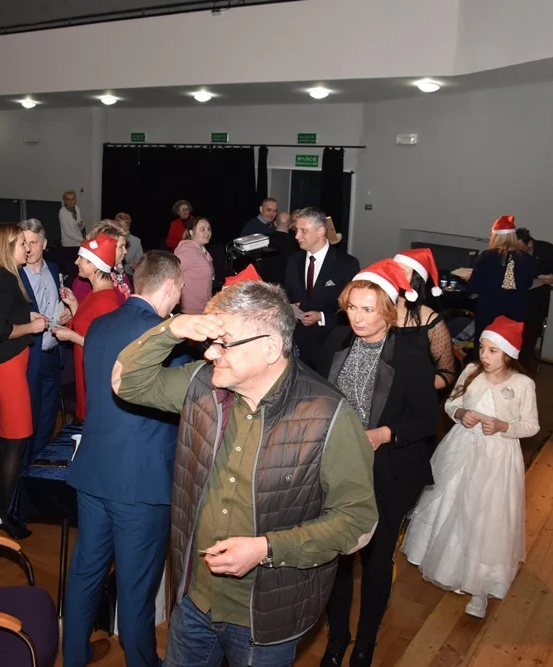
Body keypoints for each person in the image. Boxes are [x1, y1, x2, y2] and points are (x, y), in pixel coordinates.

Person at [112, 280, 377, 667]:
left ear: (270, 348)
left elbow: (358, 524)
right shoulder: (202, 383)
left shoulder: (328, 414)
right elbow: (127, 383)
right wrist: (171, 329)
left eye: (224, 343)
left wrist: (266, 549)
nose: (210, 353)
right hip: (194, 600)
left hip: (265, 619)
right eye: (211, 342)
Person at [63, 251, 184, 667]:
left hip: (94, 469)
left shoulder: (100, 324)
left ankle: (74, 656)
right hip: (140, 482)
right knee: (136, 590)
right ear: (170, 286)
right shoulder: (166, 338)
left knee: (86, 573)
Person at [317, 260, 439, 667]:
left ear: (387, 310)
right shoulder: (337, 339)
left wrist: (384, 433)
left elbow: (427, 419)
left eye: (368, 309)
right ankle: (337, 638)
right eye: (352, 307)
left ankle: (365, 642)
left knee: (376, 561)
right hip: (339, 469)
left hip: (390, 471)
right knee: (339, 560)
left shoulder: (411, 352)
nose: (358, 317)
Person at [402, 316, 539, 619]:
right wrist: (461, 414)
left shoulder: (522, 385)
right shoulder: (471, 371)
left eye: (493, 351)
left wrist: (504, 426)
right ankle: (442, 561)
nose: (484, 356)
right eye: (483, 348)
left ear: (509, 354)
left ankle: (480, 588)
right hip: (461, 448)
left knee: (486, 514)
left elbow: (531, 425)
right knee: (451, 501)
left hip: (497, 457)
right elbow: (451, 403)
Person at [0, 225, 46, 538]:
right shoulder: (4, 279)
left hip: (9, 368)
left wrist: (27, 319)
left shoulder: (1, 276)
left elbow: (2, 320)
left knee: (13, 439)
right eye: (21, 244)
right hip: (7, 369)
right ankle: (4, 514)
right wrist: (30, 328)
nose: (27, 248)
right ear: (6, 247)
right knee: (17, 440)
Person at [54, 234, 122, 421]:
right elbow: (89, 327)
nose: (76, 262)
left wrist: (71, 336)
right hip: (85, 366)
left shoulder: (106, 301)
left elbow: (105, 346)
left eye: (81, 259)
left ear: (95, 265)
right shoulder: (95, 293)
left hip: (95, 372)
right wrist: (74, 304)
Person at [284, 207, 361, 369]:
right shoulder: (293, 260)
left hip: (330, 344)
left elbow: (352, 308)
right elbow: (288, 293)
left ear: (320, 231)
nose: (297, 236)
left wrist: (322, 316)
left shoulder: (346, 264)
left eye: (303, 231)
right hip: (297, 344)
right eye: (296, 230)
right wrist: (290, 306)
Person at [18, 219, 67, 465]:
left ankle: (38, 469)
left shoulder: (54, 269)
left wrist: (66, 312)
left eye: (33, 242)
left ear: (45, 244)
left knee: (48, 419)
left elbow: (56, 305)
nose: (28, 248)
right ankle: (24, 472)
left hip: (53, 354)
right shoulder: (16, 274)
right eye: (24, 243)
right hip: (30, 357)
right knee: (29, 420)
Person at [459, 215, 534, 351]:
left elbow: (474, 287)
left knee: (486, 348)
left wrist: (469, 279)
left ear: (496, 237)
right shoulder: (527, 259)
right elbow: (528, 284)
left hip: (489, 312)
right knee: (508, 349)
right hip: (515, 313)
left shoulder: (487, 256)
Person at [391, 248, 457, 390]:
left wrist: (415, 389)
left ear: (416, 280)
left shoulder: (431, 321)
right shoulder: (376, 311)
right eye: (393, 270)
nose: (395, 275)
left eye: (402, 272)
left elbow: (447, 373)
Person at [516, 227, 553, 369]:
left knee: (528, 340)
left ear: (530, 243)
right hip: (513, 301)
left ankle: (522, 371)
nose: (518, 252)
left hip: (535, 303)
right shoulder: (509, 249)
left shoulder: (548, 250)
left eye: (521, 249)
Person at [71, 221, 132, 306]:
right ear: (108, 248)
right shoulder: (86, 280)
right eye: (121, 247)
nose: (125, 251)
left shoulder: (119, 270)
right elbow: (83, 311)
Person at [174, 216, 214, 314]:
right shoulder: (188, 250)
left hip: (203, 308)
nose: (207, 232)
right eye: (202, 229)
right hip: (190, 311)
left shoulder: (201, 249)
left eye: (209, 229)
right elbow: (170, 272)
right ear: (191, 232)